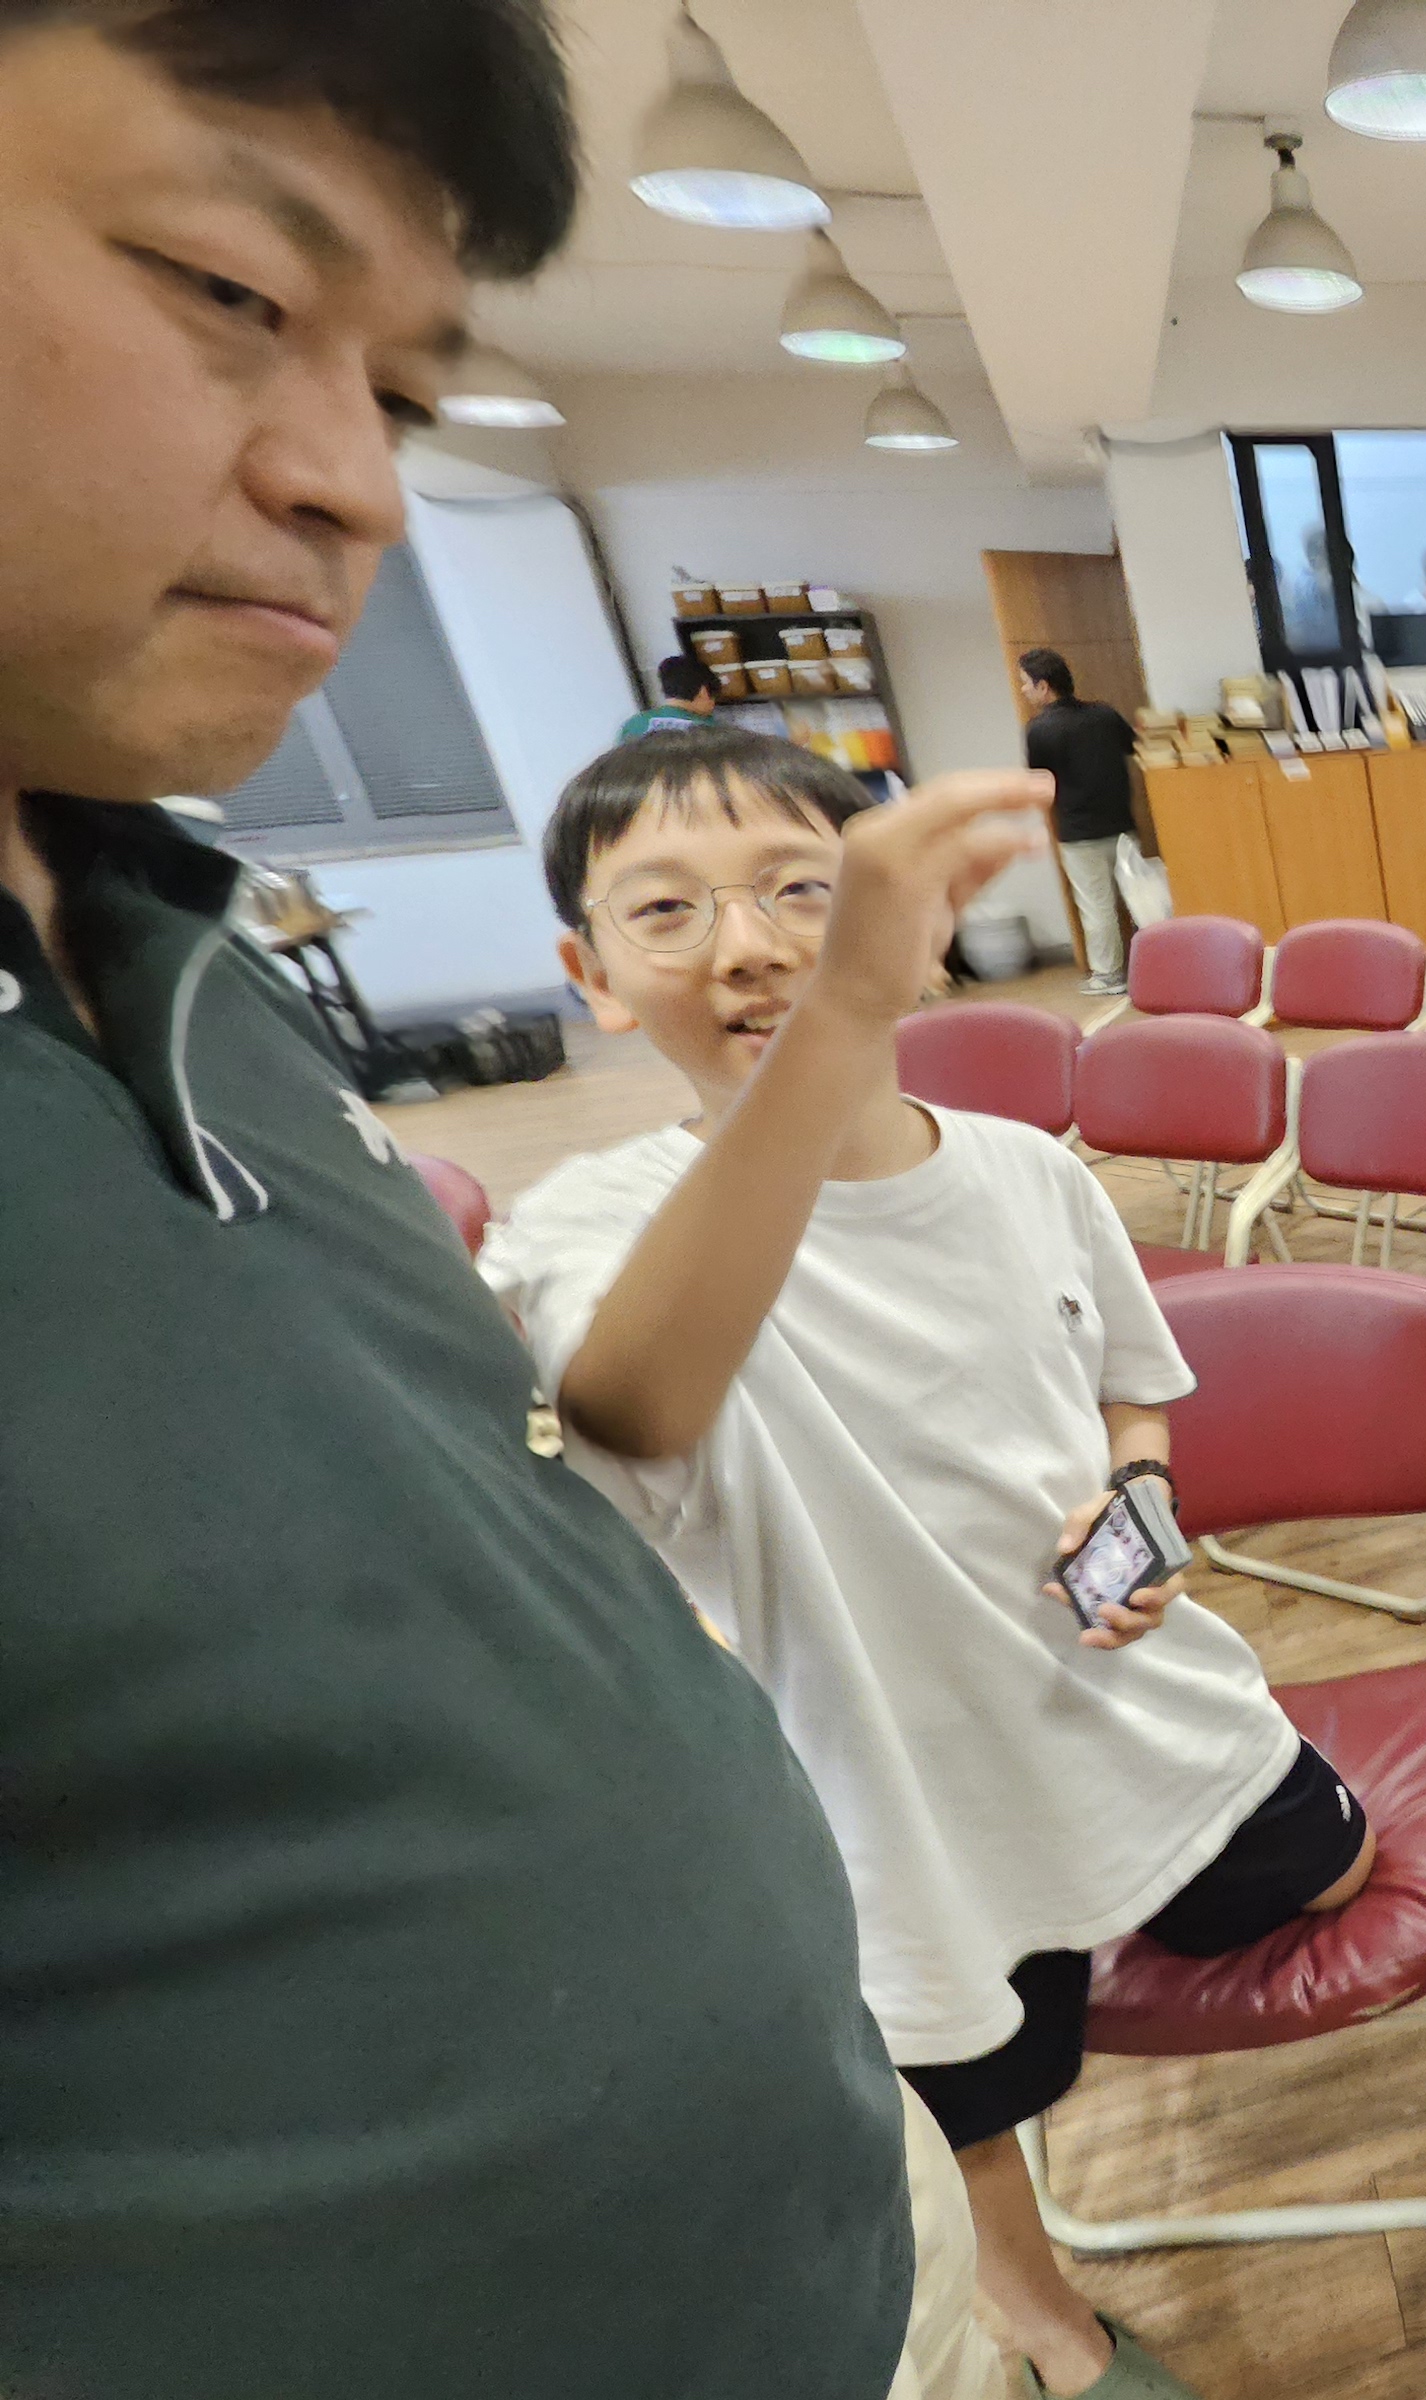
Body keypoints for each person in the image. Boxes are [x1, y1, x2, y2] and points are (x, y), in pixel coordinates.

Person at [0, 5, 970, 2392]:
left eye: (409, 394)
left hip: (832, 2228)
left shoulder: (181, 953)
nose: (356, 483)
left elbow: (539, 1477)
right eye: (227, 288)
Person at [487, 723, 1383, 2400]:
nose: (746, 946)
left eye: (801, 892)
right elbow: (635, 1401)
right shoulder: (596, 1228)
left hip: (1127, 1704)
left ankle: (1110, 1913)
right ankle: (1038, 2302)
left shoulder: (1030, 1174)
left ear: (916, 929)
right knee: (963, 2092)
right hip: (895, 1787)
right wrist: (840, 1010)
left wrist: (1138, 1505)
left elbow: (1133, 1390)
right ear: (591, 976)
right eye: (667, 910)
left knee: (1337, 1869)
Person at [1020, 645, 1134, 996]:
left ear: (1043, 686)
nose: (1023, 690)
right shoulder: (1105, 714)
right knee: (1138, 898)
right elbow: (1132, 747)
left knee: (1097, 906)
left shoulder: (1040, 729)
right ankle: (1159, 964)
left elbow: (1039, 781)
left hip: (1079, 832)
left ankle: (1109, 975)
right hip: (1122, 824)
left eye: (1026, 683)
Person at [620, 648, 719, 738]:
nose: (712, 708)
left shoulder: (632, 725)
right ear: (703, 692)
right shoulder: (709, 729)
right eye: (714, 698)